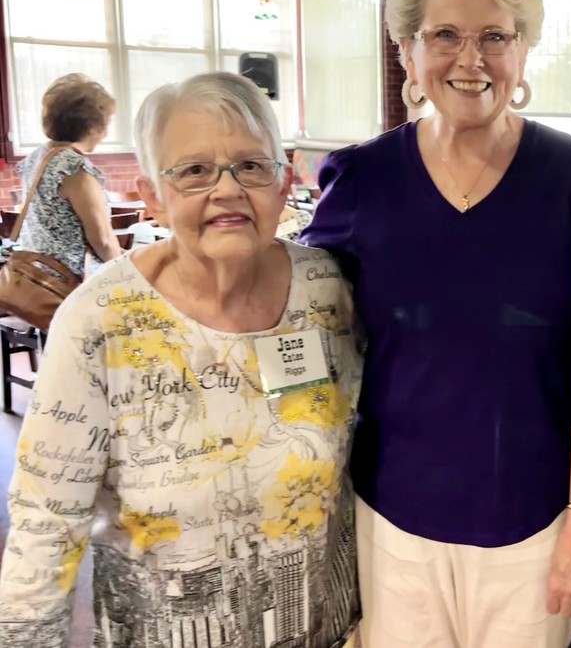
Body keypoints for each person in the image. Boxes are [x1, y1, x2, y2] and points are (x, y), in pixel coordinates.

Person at [300, 0, 571, 648]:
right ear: (407, 52)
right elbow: (294, 315)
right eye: (445, 35)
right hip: (392, 519)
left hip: (535, 522)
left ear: (523, 50)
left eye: (494, 37)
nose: (470, 59)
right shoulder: (363, 181)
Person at [0, 72, 363, 647]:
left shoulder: (327, 289)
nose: (227, 190)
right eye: (194, 171)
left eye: (251, 166)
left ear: (283, 181)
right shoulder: (99, 321)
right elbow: (47, 523)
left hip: (328, 631)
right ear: (153, 197)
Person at [16, 73, 122, 277]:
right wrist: (126, 275)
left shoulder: (34, 159)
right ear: (93, 126)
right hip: (73, 282)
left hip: (37, 276)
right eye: (106, 124)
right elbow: (103, 241)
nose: (106, 133)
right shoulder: (75, 169)